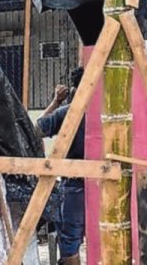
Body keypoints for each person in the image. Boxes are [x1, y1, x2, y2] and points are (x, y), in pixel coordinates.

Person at [37, 68, 86, 265]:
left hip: (74, 188)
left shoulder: (67, 112)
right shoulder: (114, 112)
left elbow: (35, 130)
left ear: (74, 89)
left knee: (70, 243)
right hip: (109, 186)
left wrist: (56, 101)